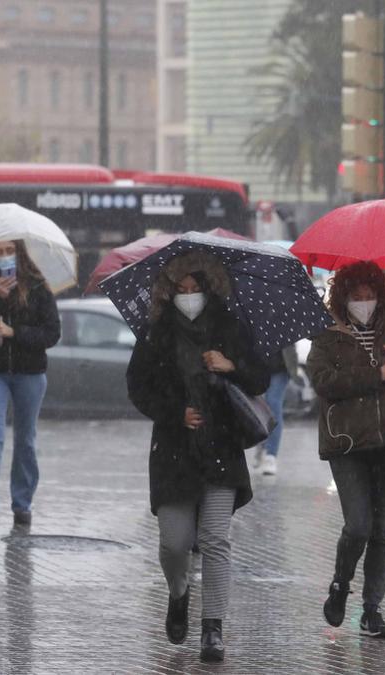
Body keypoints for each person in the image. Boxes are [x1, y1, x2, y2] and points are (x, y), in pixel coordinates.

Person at [125, 252, 271, 663]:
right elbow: (137, 386)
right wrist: (174, 413)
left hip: (221, 447)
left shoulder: (232, 327)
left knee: (215, 539)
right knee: (175, 543)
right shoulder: (156, 334)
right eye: (181, 291)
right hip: (173, 450)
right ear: (170, 293)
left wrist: (231, 365)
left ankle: (213, 628)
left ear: (209, 290)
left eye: (196, 290)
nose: (188, 297)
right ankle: (178, 592)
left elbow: (261, 377)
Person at [306, 261, 385, 639]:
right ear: (343, 296)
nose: (364, 302)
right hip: (348, 443)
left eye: (370, 295)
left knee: (383, 530)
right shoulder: (327, 333)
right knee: (359, 525)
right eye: (356, 296)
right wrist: (376, 374)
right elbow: (323, 382)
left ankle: (372, 609)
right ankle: (341, 583)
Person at [0, 239, 60, 530]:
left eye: (9, 250)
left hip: (29, 374)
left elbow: (52, 333)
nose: (5, 256)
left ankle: (22, 504)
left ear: (20, 252)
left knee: (25, 441)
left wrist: (14, 332)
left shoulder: (38, 286)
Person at [253, 344, 298, 476]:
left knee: (273, 403)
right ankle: (262, 444)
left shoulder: (286, 323)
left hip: (281, 365)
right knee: (257, 408)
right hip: (257, 366)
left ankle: (271, 456)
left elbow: (292, 338)